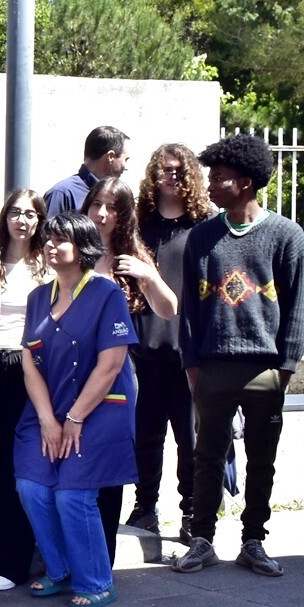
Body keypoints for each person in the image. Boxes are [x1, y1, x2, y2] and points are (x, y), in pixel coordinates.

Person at [174, 134, 304, 579]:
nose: (210, 185)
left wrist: (285, 366)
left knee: (261, 458)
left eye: (220, 178)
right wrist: (192, 363)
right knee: (206, 456)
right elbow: (190, 308)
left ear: (246, 182)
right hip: (212, 366)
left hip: (265, 368)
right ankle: (202, 539)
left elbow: (296, 307)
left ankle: (253, 540)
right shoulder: (202, 236)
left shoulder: (286, 236)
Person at [13, 213, 139, 607]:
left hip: (98, 409)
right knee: (32, 487)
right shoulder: (38, 297)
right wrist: (48, 420)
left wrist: (74, 418)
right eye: (48, 238)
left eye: (60, 239)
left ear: (82, 246)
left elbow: (111, 365)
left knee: (72, 494)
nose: (50, 245)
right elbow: (30, 361)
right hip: (48, 409)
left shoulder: (107, 294)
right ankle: (61, 568)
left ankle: (96, 581)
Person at [82, 176, 177, 542]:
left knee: (108, 466)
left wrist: (148, 275)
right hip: (69, 371)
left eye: (112, 208)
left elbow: (169, 309)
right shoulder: (69, 247)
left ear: (124, 215)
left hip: (116, 374)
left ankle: (102, 554)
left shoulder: (130, 257)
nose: (102, 214)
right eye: (96, 204)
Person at [132, 144, 216, 538]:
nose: (171, 176)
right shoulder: (141, 223)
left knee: (190, 437)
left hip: (189, 349)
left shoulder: (204, 224)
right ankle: (144, 506)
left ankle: (192, 512)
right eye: (164, 170)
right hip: (144, 346)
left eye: (179, 170)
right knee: (146, 435)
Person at [0, 188, 49, 592]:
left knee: (17, 466)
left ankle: (11, 560)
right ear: (4, 217)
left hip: (33, 370)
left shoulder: (48, 265)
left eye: (30, 214)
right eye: (15, 213)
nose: (22, 221)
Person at [44, 125, 129, 219]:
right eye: (126, 159)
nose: (126, 167)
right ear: (110, 157)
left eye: (111, 207)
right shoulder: (62, 194)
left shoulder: (117, 194)